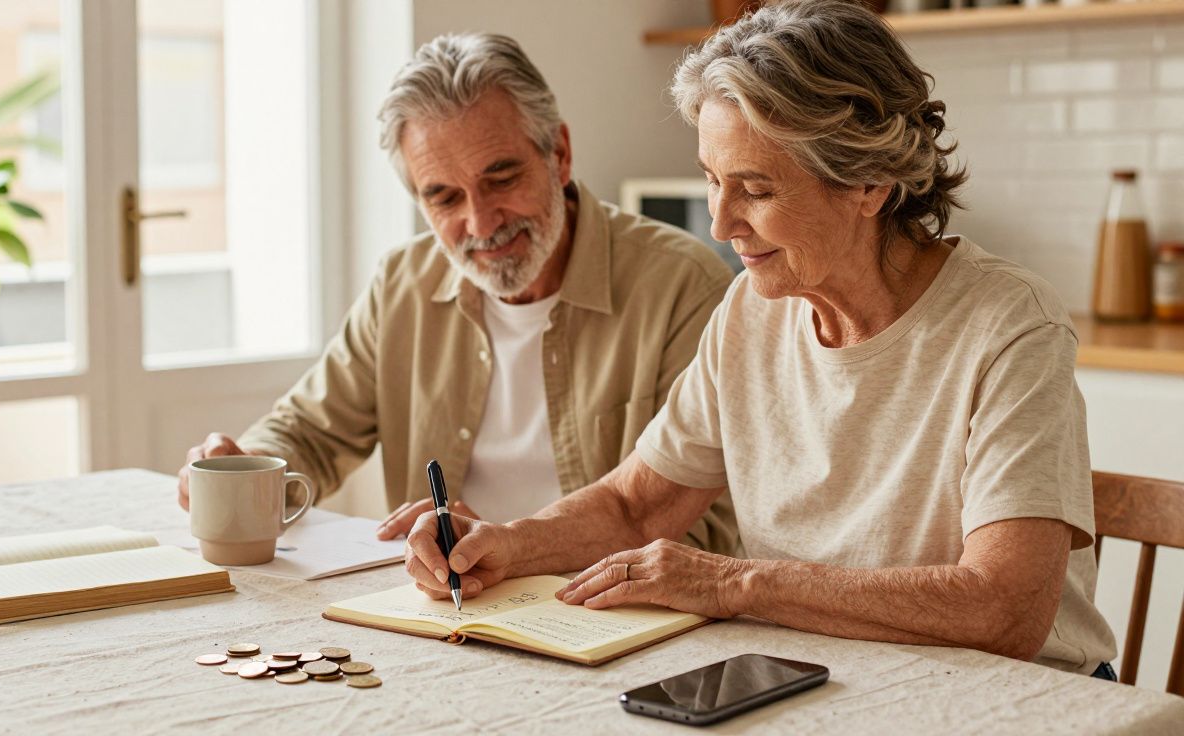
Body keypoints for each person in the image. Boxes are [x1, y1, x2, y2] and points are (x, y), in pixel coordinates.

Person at [405, 0, 1119, 676]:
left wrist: (736, 584)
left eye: (756, 189)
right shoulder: (753, 308)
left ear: (869, 182)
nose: (720, 224)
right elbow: (638, 505)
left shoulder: (1008, 325)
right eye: (712, 180)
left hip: (1020, 699)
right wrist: (504, 543)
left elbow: (1005, 608)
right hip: (831, 679)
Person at [176, 33, 739, 555]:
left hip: (602, 613)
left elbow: (708, 529)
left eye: (501, 179)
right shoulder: (402, 283)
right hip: (443, 604)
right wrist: (242, 464)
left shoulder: (683, 287)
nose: (480, 221)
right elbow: (309, 432)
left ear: (559, 154)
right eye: (444, 198)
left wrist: (517, 546)